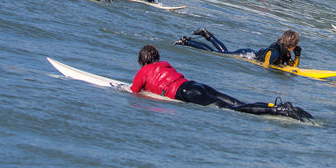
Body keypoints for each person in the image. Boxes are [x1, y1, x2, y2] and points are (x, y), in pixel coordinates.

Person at [130, 45, 312, 121]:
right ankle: (277, 105)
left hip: (187, 94)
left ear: (141, 60)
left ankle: (278, 110)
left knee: (232, 110)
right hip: (195, 85)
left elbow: (135, 92)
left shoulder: (142, 72)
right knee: (239, 103)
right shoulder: (165, 64)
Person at [176, 29, 302, 68]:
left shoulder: (285, 51)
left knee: (223, 52)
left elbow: (293, 67)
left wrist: (297, 56)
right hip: (246, 55)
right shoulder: (274, 51)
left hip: (249, 53)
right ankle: (187, 41)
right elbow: (265, 67)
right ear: (292, 44)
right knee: (216, 53)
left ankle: (208, 35)